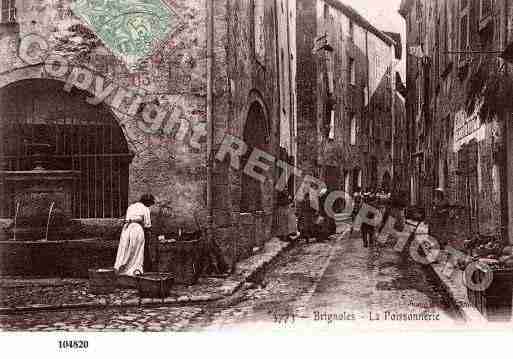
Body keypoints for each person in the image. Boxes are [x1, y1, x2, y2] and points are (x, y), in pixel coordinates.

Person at [114, 194, 155, 276]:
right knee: (137, 251)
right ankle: (134, 270)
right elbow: (147, 225)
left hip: (126, 229)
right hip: (137, 229)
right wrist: (151, 233)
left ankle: (122, 269)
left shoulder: (131, 207)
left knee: (125, 249)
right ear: (147, 203)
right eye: (150, 204)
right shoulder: (145, 208)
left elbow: (128, 218)